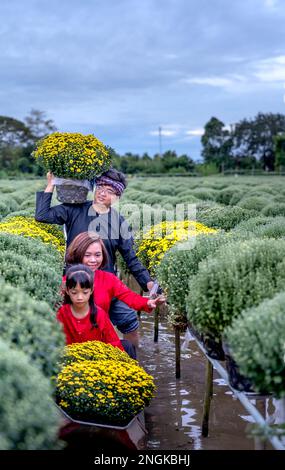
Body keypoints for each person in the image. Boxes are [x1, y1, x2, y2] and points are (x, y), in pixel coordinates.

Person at [35, 168, 159, 346]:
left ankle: (131, 363)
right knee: (70, 327)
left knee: (130, 321)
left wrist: (147, 282)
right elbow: (42, 215)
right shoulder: (74, 210)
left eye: (110, 191)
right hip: (74, 283)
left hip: (107, 285)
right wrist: (51, 184)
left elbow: (131, 257)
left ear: (117, 197)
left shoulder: (118, 221)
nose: (103, 193)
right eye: (100, 187)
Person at [63, 232, 165, 345]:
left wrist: (148, 302)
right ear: (78, 254)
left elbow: (129, 296)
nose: (93, 260)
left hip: (100, 342)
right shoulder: (66, 281)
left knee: (126, 344)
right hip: (71, 342)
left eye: (97, 255)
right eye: (87, 255)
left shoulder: (108, 279)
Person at [57, 264, 137, 359]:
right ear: (67, 291)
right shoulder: (61, 313)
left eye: (85, 292)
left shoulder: (99, 314)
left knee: (127, 346)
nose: (80, 297)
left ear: (91, 290)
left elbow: (113, 342)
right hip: (70, 359)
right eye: (74, 292)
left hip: (97, 359)